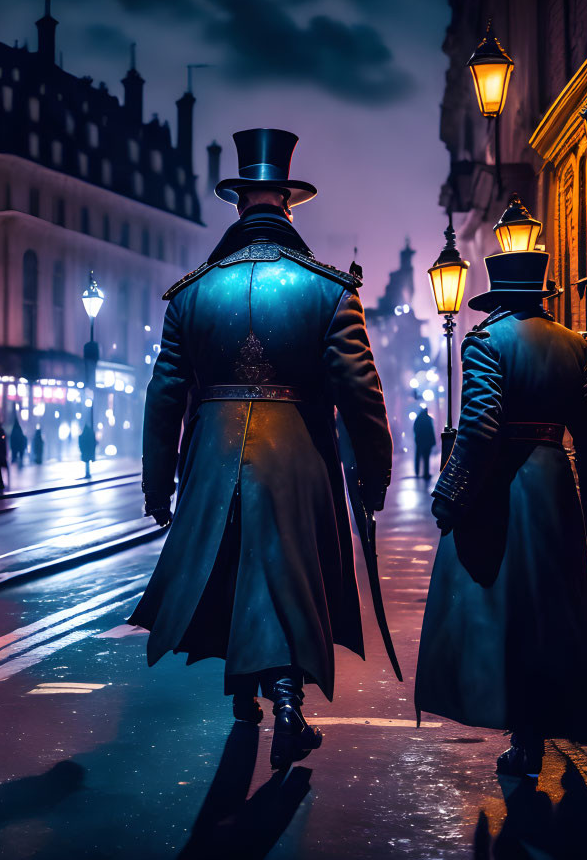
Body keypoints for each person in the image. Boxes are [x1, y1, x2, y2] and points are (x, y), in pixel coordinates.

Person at [128, 129, 392, 771]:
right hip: (297, 451)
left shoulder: (189, 293)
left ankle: (245, 700)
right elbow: (361, 393)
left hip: (212, 452)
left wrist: (156, 484)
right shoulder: (331, 289)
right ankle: (288, 703)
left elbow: (163, 398)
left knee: (228, 566)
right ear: (289, 204)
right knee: (286, 574)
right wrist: (374, 476)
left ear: (240, 203)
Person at [415, 240, 587, 779]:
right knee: (551, 616)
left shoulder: (485, 342)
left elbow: (479, 429)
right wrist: (578, 492)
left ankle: (520, 732)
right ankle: (542, 730)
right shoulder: (576, 345)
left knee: (505, 617)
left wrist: (451, 494)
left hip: (504, 488)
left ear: (496, 297)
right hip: (553, 485)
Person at [413, 407, 437, 479]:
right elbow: (431, 431)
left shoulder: (418, 419)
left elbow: (415, 429)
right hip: (427, 442)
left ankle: (417, 472)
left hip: (420, 442)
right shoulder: (428, 419)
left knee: (418, 457)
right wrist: (433, 441)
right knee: (426, 458)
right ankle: (426, 473)